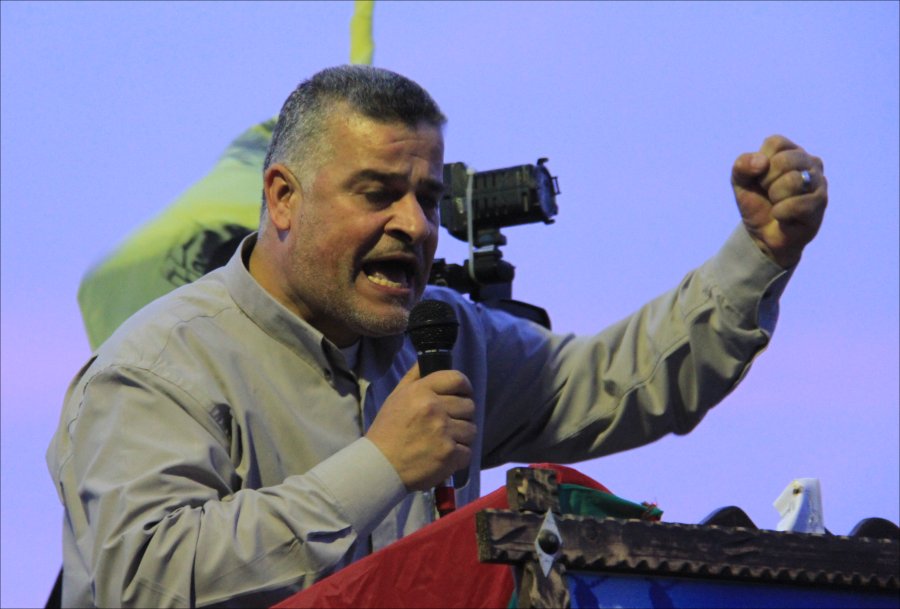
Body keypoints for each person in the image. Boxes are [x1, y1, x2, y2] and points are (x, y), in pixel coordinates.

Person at [47, 65, 827, 608]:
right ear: (282, 198)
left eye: (428, 196)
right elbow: (140, 581)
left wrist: (758, 256)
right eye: (378, 192)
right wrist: (379, 465)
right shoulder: (158, 365)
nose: (416, 226)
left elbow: (624, 380)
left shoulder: (445, 336)